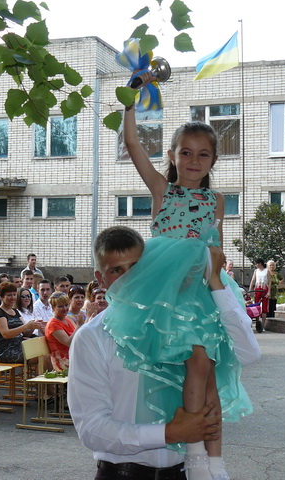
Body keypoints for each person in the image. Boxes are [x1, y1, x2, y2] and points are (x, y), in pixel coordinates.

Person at [102, 93, 254, 480]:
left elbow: (213, 244)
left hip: (201, 289)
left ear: (214, 161)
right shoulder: (162, 190)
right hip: (166, 290)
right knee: (198, 366)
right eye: (186, 153)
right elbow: (134, 145)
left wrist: (218, 280)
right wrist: (130, 107)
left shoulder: (216, 199)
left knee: (211, 376)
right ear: (172, 156)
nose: (193, 161)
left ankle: (214, 463)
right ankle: (196, 456)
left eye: (203, 155)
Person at [68, 226, 222, 480]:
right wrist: (170, 432)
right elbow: (91, 429)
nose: (130, 278)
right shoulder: (92, 337)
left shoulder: (182, 323)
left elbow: (245, 355)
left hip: (186, 472)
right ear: (100, 277)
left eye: (137, 266)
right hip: (122, 474)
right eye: (117, 270)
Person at [0, 282, 41, 363]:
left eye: (14, 295)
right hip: (7, 350)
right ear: (1, 297)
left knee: (44, 351)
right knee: (39, 356)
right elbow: (6, 334)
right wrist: (26, 326)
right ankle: (36, 375)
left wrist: (32, 326)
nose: (12, 298)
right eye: (9, 295)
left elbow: (26, 334)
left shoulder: (15, 311)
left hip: (20, 345)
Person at [45, 292, 76, 371]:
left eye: (66, 305)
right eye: (60, 306)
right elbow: (68, 342)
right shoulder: (53, 324)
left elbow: (79, 335)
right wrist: (79, 326)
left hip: (72, 355)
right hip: (62, 361)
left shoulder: (68, 319)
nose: (65, 308)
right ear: (53, 307)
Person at [249, 259, 270, 332]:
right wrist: (250, 290)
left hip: (264, 289)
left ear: (260, 263)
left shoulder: (266, 271)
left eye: (257, 264)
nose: (256, 265)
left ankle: (263, 325)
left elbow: (270, 282)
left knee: (264, 308)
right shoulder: (256, 271)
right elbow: (253, 280)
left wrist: (269, 292)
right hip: (257, 289)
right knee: (256, 306)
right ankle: (257, 324)